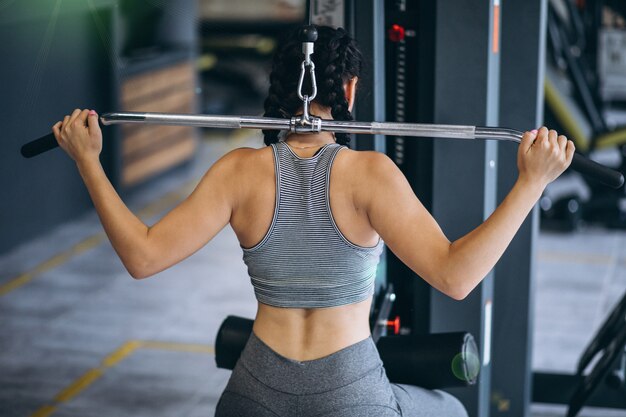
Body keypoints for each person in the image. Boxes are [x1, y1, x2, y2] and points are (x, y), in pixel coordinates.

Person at [52, 25, 574, 417]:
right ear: (348, 91)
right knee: (452, 410)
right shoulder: (370, 173)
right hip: (348, 389)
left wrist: (88, 163)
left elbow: (142, 257)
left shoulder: (237, 171)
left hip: (254, 388)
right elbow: (456, 277)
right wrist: (531, 183)